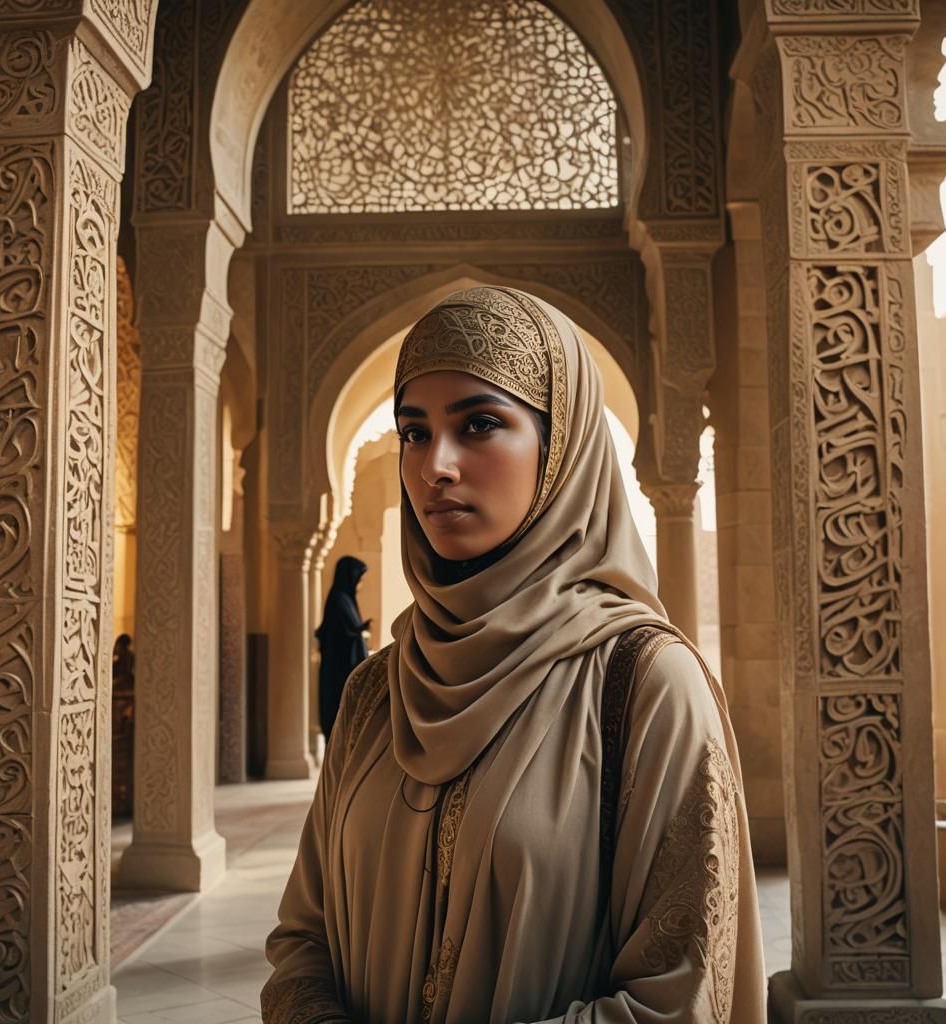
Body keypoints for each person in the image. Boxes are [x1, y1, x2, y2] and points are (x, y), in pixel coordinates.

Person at [262, 287, 766, 1023]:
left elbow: (679, 999)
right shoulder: (377, 692)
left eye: (480, 424)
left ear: (562, 450)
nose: (436, 465)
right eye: (413, 432)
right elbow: (302, 942)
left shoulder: (645, 684)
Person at [315, 556, 371, 742]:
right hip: (338, 673)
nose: (361, 585)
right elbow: (340, 635)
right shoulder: (339, 600)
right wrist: (358, 632)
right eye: (359, 580)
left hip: (343, 672)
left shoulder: (345, 599)